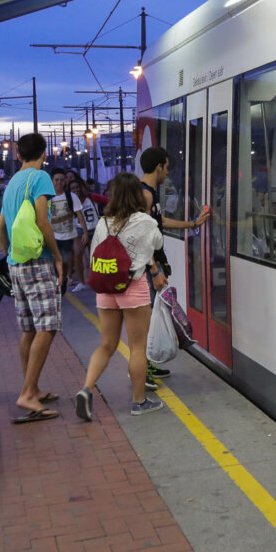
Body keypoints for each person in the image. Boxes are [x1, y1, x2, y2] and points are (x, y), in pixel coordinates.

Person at [75, 173, 167, 420]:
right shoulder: (145, 221)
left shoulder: (104, 222)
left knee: (107, 344)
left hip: (106, 288)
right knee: (137, 347)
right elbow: (157, 244)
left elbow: (95, 252)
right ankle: (139, 402)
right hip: (132, 287)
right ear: (137, 195)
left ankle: (86, 388)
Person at [0, 133, 63, 424]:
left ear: (19, 155)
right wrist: (57, 256)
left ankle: (32, 388)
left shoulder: (12, 184)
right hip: (38, 261)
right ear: (44, 154)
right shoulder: (40, 178)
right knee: (48, 326)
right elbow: (43, 221)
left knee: (30, 329)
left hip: (16, 265)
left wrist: (11, 256)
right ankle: (27, 394)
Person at [138, 147, 210, 386]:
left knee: (152, 316)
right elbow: (142, 235)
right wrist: (154, 270)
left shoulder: (150, 194)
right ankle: (141, 373)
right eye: (166, 168)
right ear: (159, 167)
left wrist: (193, 224)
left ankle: (148, 365)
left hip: (154, 264)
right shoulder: (145, 195)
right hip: (149, 267)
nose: (167, 173)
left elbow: (160, 222)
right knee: (146, 319)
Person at [48, 169, 86, 293]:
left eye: (61, 180)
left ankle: (62, 281)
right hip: (52, 236)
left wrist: (85, 232)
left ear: (65, 182)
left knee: (64, 261)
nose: (59, 182)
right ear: (52, 181)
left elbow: (79, 214)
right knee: (53, 262)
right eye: (56, 180)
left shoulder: (71, 196)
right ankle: (57, 282)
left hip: (67, 236)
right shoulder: (47, 198)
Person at [70, 176, 98, 287]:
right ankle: (81, 281)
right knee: (77, 255)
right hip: (79, 230)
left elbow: (107, 200)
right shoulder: (69, 201)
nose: (76, 190)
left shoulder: (91, 197)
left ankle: (96, 279)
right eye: (72, 188)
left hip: (94, 229)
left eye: (77, 187)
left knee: (95, 256)